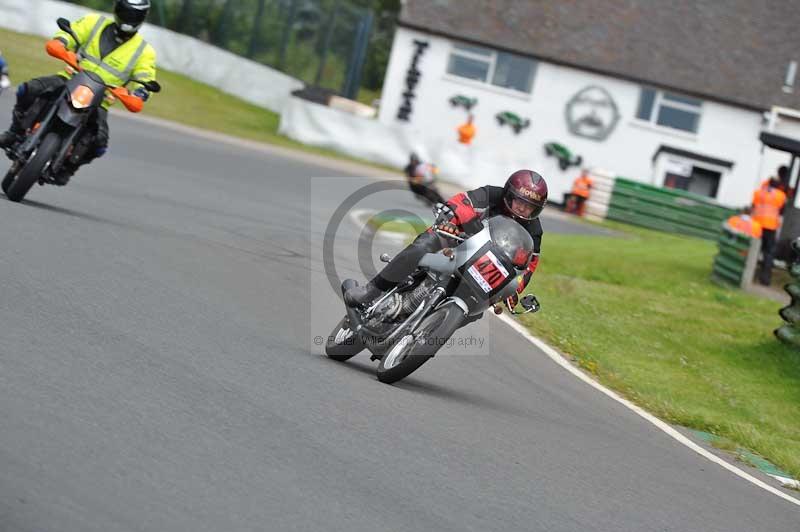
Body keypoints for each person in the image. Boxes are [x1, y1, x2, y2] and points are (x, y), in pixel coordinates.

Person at [0, 0, 157, 184]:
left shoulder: (144, 52)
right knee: (29, 90)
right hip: (69, 79)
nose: (129, 18)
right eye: (126, 12)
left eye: (135, 15)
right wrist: (61, 43)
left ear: (142, 17)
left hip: (101, 98)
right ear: (117, 10)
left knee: (99, 142)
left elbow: (146, 79)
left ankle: (68, 168)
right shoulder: (94, 22)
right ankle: (14, 132)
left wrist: (139, 94)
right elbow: (70, 33)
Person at [345, 169, 547, 311]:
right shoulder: (491, 194)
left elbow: (529, 265)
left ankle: (434, 327)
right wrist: (450, 220)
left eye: (528, 206)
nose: (522, 208)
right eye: (520, 201)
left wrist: (514, 289)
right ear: (508, 194)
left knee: (481, 303)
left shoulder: (534, 229)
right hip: (455, 236)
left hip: (486, 262)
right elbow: (461, 202)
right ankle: (370, 291)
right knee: (421, 247)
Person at [752, 177, 787, 285]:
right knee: (768, 253)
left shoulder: (758, 193)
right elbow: (782, 211)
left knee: (754, 250)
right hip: (771, 227)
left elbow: (753, 207)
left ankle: (750, 275)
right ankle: (765, 279)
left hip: (757, 225)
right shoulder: (781, 195)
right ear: (778, 185)